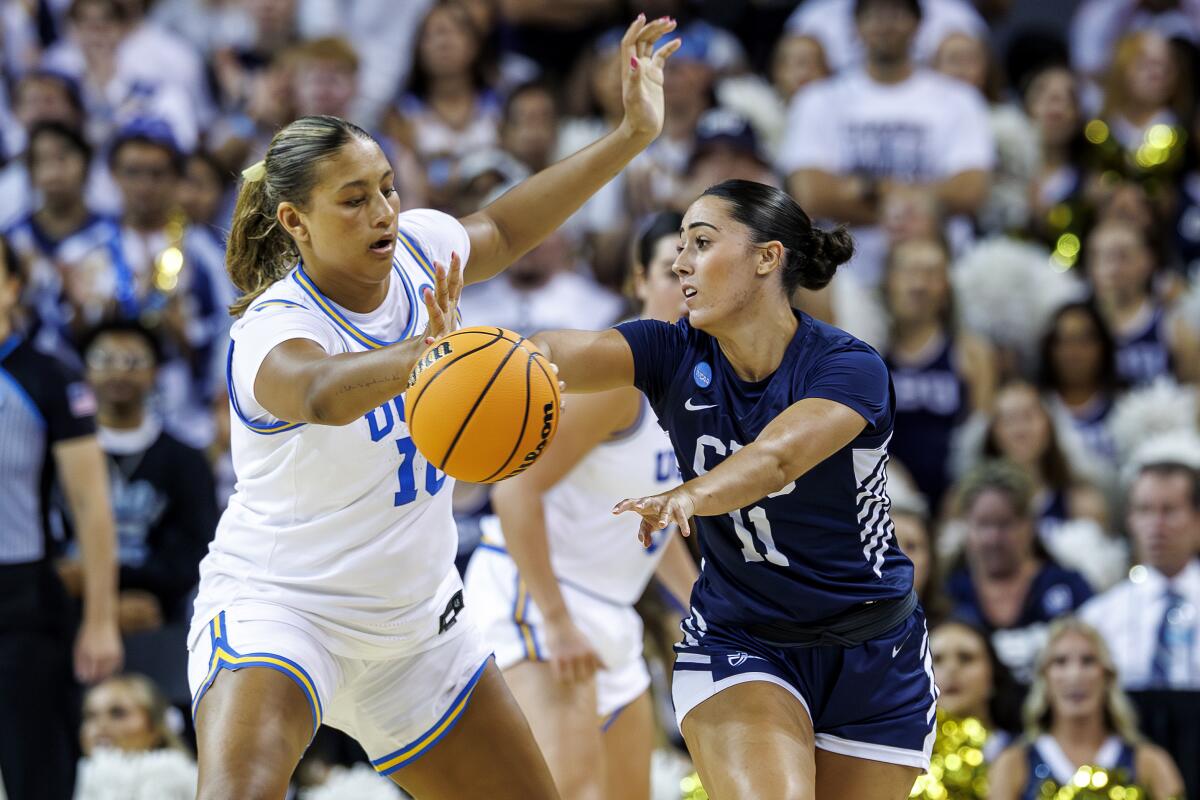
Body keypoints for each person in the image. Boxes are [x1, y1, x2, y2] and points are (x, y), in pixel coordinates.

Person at [187, 17, 679, 800]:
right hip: (284, 609)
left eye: (387, 186)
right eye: (354, 200)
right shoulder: (273, 327)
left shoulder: (418, 251)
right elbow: (317, 390)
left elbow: (510, 226)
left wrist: (631, 133)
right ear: (294, 222)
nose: (383, 210)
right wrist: (427, 359)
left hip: (415, 630)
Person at [531, 179, 935, 799]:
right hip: (741, 638)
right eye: (679, 247)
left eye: (701, 242)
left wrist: (690, 496)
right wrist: (481, 352)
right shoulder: (668, 349)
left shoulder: (848, 365)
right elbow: (560, 351)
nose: (679, 262)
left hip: (875, 647)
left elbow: (776, 460)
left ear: (767, 258)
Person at [462, 212, 697, 800]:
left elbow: (651, 519)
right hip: (541, 598)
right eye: (671, 270)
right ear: (638, 280)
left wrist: (702, 607)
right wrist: (559, 620)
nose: (687, 283)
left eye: (698, 269)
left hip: (611, 611)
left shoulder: (697, 390)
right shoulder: (618, 377)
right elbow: (513, 490)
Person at [0, 233, 122, 800]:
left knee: (37, 775)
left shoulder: (47, 377)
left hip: (21, 602)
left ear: (12, 286)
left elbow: (91, 506)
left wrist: (100, 619)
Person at [781, 0, 994, 291]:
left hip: (938, 268)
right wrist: (915, 203)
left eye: (896, 13)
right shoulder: (818, 99)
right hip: (842, 276)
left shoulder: (959, 99)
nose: (885, 22)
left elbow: (971, 189)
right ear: (855, 26)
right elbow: (812, 193)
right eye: (874, 14)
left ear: (918, 25)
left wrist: (866, 189)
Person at [74, 319, 218, 631]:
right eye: (105, 359)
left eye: (134, 361)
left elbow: (197, 550)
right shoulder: (59, 453)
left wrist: (106, 584)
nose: (120, 371)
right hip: (65, 616)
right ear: (85, 370)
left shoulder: (186, 460)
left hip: (155, 616)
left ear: (155, 373)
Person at [989, 618, 1185, 800]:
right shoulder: (1013, 764)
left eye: (1088, 661)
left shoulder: (1150, 762)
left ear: (1107, 677)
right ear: (1044, 678)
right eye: (1060, 661)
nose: (1075, 675)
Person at [947, 460, 1093, 684]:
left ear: (1030, 525)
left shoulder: (1069, 587)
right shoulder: (948, 594)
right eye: (982, 524)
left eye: (1005, 524)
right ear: (966, 526)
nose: (993, 538)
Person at [882, 237, 996, 513]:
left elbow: (983, 436)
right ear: (889, 282)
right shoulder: (870, 349)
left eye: (931, 274)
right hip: (886, 495)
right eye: (909, 272)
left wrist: (963, 493)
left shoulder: (971, 353)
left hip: (957, 499)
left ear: (946, 286)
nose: (919, 285)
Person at [1081, 461, 1200, 690]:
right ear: (1130, 520)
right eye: (1144, 510)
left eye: (1169, 510)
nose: (1156, 525)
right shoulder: (1099, 617)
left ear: (1197, 519)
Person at [981, 381, 1109, 545]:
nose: (1020, 429)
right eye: (1009, 419)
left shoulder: (1083, 504)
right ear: (993, 433)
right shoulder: (965, 503)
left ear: (1048, 424)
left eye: (1028, 416)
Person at [1086, 219, 1200, 385]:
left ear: (1147, 260)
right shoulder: (1074, 324)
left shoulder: (1173, 326)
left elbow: (1195, 390)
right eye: (1100, 257)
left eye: (1122, 256)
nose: (1111, 269)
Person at [1036, 302, 1122, 467]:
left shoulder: (1127, 404)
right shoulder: (1037, 407)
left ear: (1103, 345)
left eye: (1083, 340)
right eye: (1062, 341)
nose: (1073, 352)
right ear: (1048, 348)